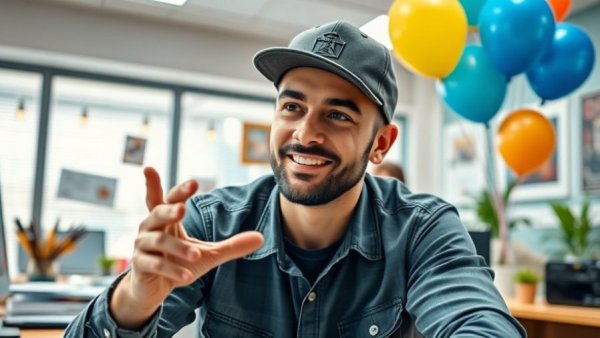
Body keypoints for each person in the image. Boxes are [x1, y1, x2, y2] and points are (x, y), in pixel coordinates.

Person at [65, 20, 525, 337]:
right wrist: (134, 298)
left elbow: (480, 322)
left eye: (338, 115)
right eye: (292, 106)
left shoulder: (421, 229)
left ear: (381, 143)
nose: (306, 133)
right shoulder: (210, 224)